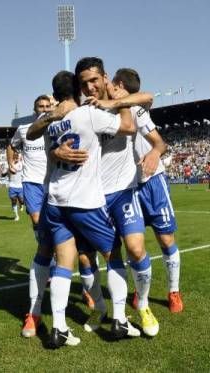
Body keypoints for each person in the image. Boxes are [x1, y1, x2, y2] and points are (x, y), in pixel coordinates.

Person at [27, 69, 139, 348]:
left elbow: (36, 135)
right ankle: (120, 320)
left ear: (55, 94)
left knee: (65, 261)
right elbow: (128, 128)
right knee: (113, 253)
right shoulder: (87, 114)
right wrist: (119, 102)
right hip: (84, 201)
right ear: (78, 88)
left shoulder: (52, 123)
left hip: (54, 201)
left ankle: (59, 328)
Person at [67, 60, 159, 337]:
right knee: (85, 259)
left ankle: (142, 305)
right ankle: (101, 308)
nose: (90, 87)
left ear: (105, 78)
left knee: (136, 249)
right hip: (90, 196)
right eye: (84, 84)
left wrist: (154, 152)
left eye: (94, 80)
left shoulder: (124, 101)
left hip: (122, 191)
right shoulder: (83, 111)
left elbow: (148, 97)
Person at [112, 67, 184, 314]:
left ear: (119, 84)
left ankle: (173, 291)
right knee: (133, 244)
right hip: (128, 186)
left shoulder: (137, 107)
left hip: (153, 182)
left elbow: (148, 97)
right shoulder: (108, 110)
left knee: (165, 239)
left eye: (113, 84)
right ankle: (139, 288)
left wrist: (155, 152)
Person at [6, 95, 53, 338]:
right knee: (37, 220)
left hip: (54, 182)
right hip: (32, 183)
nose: (44, 110)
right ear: (34, 109)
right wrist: (12, 163)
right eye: (40, 107)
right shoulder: (24, 129)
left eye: (48, 106)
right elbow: (11, 146)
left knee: (57, 230)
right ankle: (49, 261)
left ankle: (53, 264)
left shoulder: (56, 126)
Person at [6, 153, 24, 221]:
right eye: (15, 157)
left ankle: (21, 204)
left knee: (22, 200)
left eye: (17, 157)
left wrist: (11, 165)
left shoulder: (21, 164)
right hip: (12, 185)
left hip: (20, 186)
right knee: (13, 200)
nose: (16, 159)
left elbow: (14, 172)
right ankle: (16, 216)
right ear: (13, 157)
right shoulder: (10, 164)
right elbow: (6, 172)